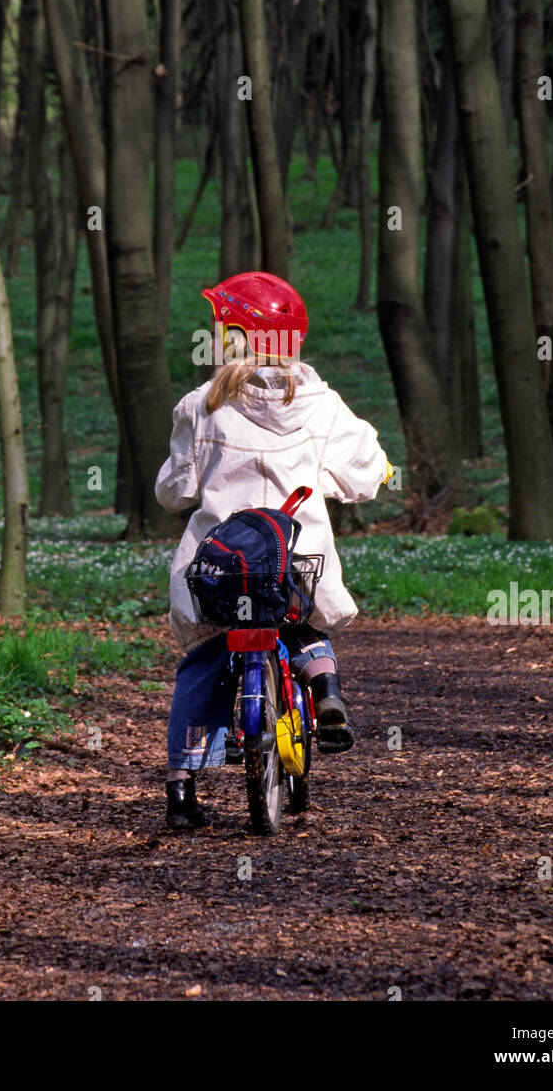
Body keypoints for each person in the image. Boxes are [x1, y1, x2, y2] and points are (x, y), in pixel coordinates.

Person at [155, 272, 392, 830]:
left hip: (221, 567)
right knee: (301, 617)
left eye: (222, 327)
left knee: (204, 661)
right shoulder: (322, 405)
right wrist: (375, 473)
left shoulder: (200, 404)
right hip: (294, 561)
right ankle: (323, 684)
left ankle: (182, 789)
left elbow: (176, 490)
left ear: (240, 336)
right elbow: (362, 473)